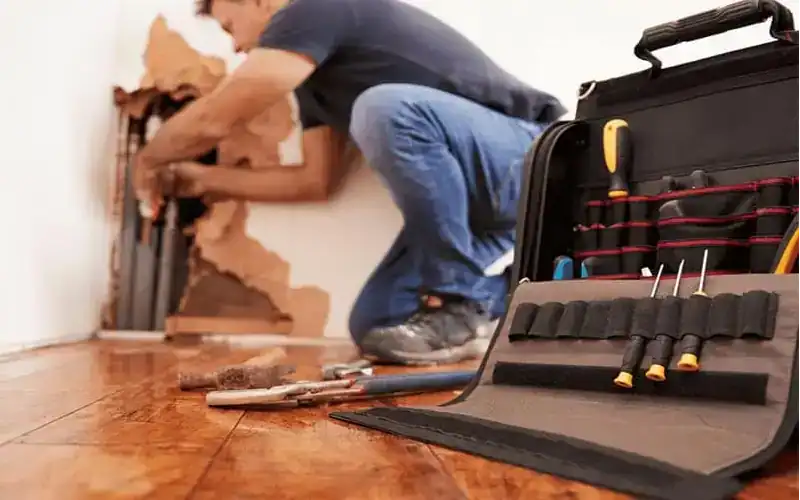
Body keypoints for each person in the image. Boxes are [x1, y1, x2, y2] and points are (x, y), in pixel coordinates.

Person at [133, 0, 566, 365]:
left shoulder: (314, 7)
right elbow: (315, 181)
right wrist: (205, 180)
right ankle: (514, 297)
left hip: (526, 157)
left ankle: (459, 303)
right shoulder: (312, 85)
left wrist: (148, 160)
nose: (235, 45)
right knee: (376, 323)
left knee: (382, 108)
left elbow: (217, 117)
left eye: (230, 26)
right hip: (473, 213)